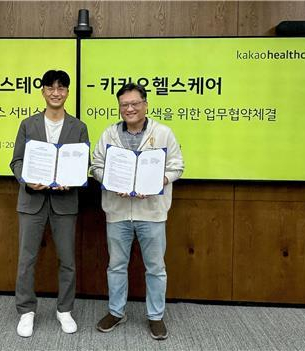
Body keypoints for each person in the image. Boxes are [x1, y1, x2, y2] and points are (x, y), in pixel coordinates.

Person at [90, 83, 184, 340]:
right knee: (116, 266)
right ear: (120, 107)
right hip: (117, 211)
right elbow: (96, 165)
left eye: (135, 103)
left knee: (155, 268)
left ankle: (155, 316)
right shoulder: (109, 134)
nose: (129, 108)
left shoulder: (163, 133)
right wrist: (109, 180)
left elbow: (177, 166)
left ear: (145, 104)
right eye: (124, 105)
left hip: (151, 213)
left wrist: (158, 181)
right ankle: (116, 312)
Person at [10, 70, 89, 338]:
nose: (56, 93)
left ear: (68, 92)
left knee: (67, 260)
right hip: (32, 200)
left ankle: (64, 309)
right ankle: (26, 311)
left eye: (61, 88)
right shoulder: (28, 124)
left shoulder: (78, 127)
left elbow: (83, 162)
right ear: (43, 91)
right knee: (26, 260)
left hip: (65, 202)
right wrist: (27, 179)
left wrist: (74, 179)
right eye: (51, 88)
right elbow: (17, 161)